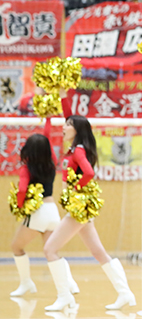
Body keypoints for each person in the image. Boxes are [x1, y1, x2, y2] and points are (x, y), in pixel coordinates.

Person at [41, 91, 137, 311]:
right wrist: (63, 96)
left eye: (68, 125)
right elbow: (71, 117)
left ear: (77, 130)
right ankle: (125, 293)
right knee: (98, 251)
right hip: (80, 207)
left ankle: (64, 296)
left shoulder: (79, 151)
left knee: (50, 249)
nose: (64, 126)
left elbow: (89, 173)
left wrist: (76, 191)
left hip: (79, 208)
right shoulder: (75, 147)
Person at [10, 116, 80, 298]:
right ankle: (69, 282)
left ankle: (26, 283)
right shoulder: (52, 163)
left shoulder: (26, 168)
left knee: (16, 247)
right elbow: (47, 138)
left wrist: (19, 206)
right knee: (52, 251)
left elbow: (22, 190)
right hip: (52, 212)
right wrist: (48, 119)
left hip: (37, 213)